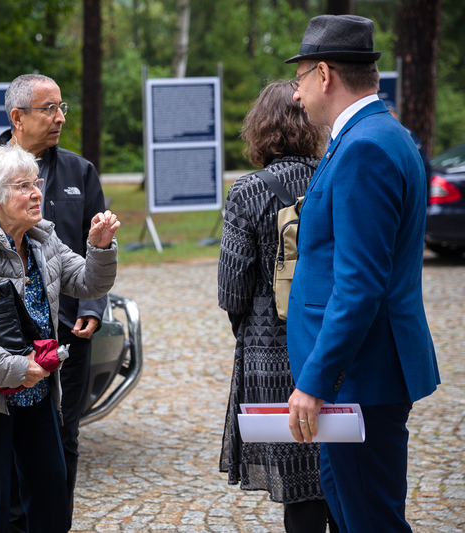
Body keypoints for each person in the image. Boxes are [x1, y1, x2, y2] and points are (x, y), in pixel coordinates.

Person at [284, 15, 440, 532]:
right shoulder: (378, 135)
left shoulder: (365, 147)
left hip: (358, 380)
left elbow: (359, 283)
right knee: (353, 512)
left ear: (324, 74)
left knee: (370, 520)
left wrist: (315, 379)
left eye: (300, 78)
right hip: (360, 376)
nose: (296, 94)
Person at [0, 73, 107, 528]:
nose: (37, 194)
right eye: (48, 108)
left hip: (49, 363)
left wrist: (101, 250)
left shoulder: (46, 229)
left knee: (53, 478)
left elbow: (87, 276)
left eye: (62, 107)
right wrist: (15, 367)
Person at [217, 80, 336, 533]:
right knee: (337, 468)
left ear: (260, 128)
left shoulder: (248, 192)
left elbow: (232, 290)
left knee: (298, 481)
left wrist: (250, 326)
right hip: (332, 340)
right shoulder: (332, 172)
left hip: (271, 351)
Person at [384, 100, 433, 202]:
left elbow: (424, 167)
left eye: (392, 117)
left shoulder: (407, 135)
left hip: (407, 193)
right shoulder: (405, 134)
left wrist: (426, 199)